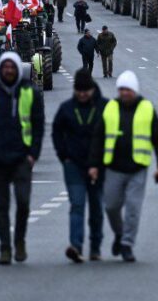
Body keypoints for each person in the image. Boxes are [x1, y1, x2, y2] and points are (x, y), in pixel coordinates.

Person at [0, 51, 46, 264]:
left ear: (17, 69)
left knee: (23, 202)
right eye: (5, 67)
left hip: (22, 157)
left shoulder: (30, 93)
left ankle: (19, 241)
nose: (9, 70)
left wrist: (33, 154)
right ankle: (5, 248)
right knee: (2, 205)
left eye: (12, 67)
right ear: (0, 69)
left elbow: (38, 125)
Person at [88, 71, 158, 262]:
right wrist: (93, 165)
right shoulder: (110, 108)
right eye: (121, 89)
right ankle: (120, 233)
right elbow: (98, 138)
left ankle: (127, 244)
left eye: (128, 90)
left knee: (133, 208)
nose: (124, 93)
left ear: (134, 90)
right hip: (113, 168)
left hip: (137, 168)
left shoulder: (147, 108)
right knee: (111, 207)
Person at [53, 70, 106, 263]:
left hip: (98, 166)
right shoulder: (66, 109)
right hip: (73, 165)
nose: (83, 94)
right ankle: (76, 246)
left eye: (86, 90)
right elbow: (56, 132)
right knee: (77, 204)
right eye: (79, 90)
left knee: (96, 207)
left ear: (92, 89)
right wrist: (63, 156)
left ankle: (95, 247)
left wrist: (104, 161)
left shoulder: (104, 107)